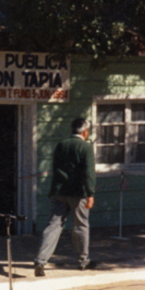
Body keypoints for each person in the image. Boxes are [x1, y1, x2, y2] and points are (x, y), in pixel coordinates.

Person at [34, 117, 96, 276]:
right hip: (78, 193)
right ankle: (83, 261)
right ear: (85, 132)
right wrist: (90, 193)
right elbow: (89, 173)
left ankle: (41, 261)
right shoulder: (86, 147)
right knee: (81, 226)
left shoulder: (61, 145)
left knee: (52, 226)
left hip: (59, 192)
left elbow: (55, 169)